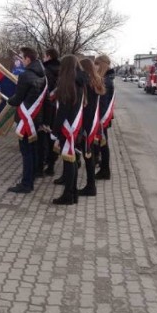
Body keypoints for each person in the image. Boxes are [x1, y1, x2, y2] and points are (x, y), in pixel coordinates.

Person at [6, 46, 47, 194]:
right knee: (33, 150)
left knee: (26, 152)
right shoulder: (43, 75)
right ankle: (31, 177)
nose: (21, 61)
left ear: (28, 59)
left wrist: (8, 100)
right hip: (36, 119)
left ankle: (26, 184)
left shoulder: (25, 75)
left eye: (22, 58)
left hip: (26, 120)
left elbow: (18, 99)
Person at [52, 55, 85, 205]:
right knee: (71, 161)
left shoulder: (68, 84)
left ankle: (68, 196)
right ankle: (72, 194)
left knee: (69, 161)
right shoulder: (79, 82)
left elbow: (62, 111)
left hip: (67, 128)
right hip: (74, 127)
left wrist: (55, 132)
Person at [78, 58, 106, 196]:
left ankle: (91, 186)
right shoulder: (96, 80)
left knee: (87, 153)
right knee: (89, 153)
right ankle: (91, 184)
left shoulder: (86, 82)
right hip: (93, 120)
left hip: (87, 121)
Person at [38, 48, 60, 176]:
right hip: (58, 108)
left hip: (48, 108)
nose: (43, 58)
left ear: (49, 56)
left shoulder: (46, 71)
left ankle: (47, 163)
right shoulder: (63, 70)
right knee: (55, 135)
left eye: (44, 56)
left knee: (46, 135)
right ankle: (52, 162)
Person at [94, 55, 115, 180]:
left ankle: (105, 170)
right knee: (103, 144)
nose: (95, 67)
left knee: (103, 145)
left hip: (101, 118)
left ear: (101, 65)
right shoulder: (107, 79)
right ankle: (104, 169)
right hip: (102, 118)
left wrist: (98, 119)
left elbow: (102, 102)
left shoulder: (105, 81)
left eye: (97, 64)